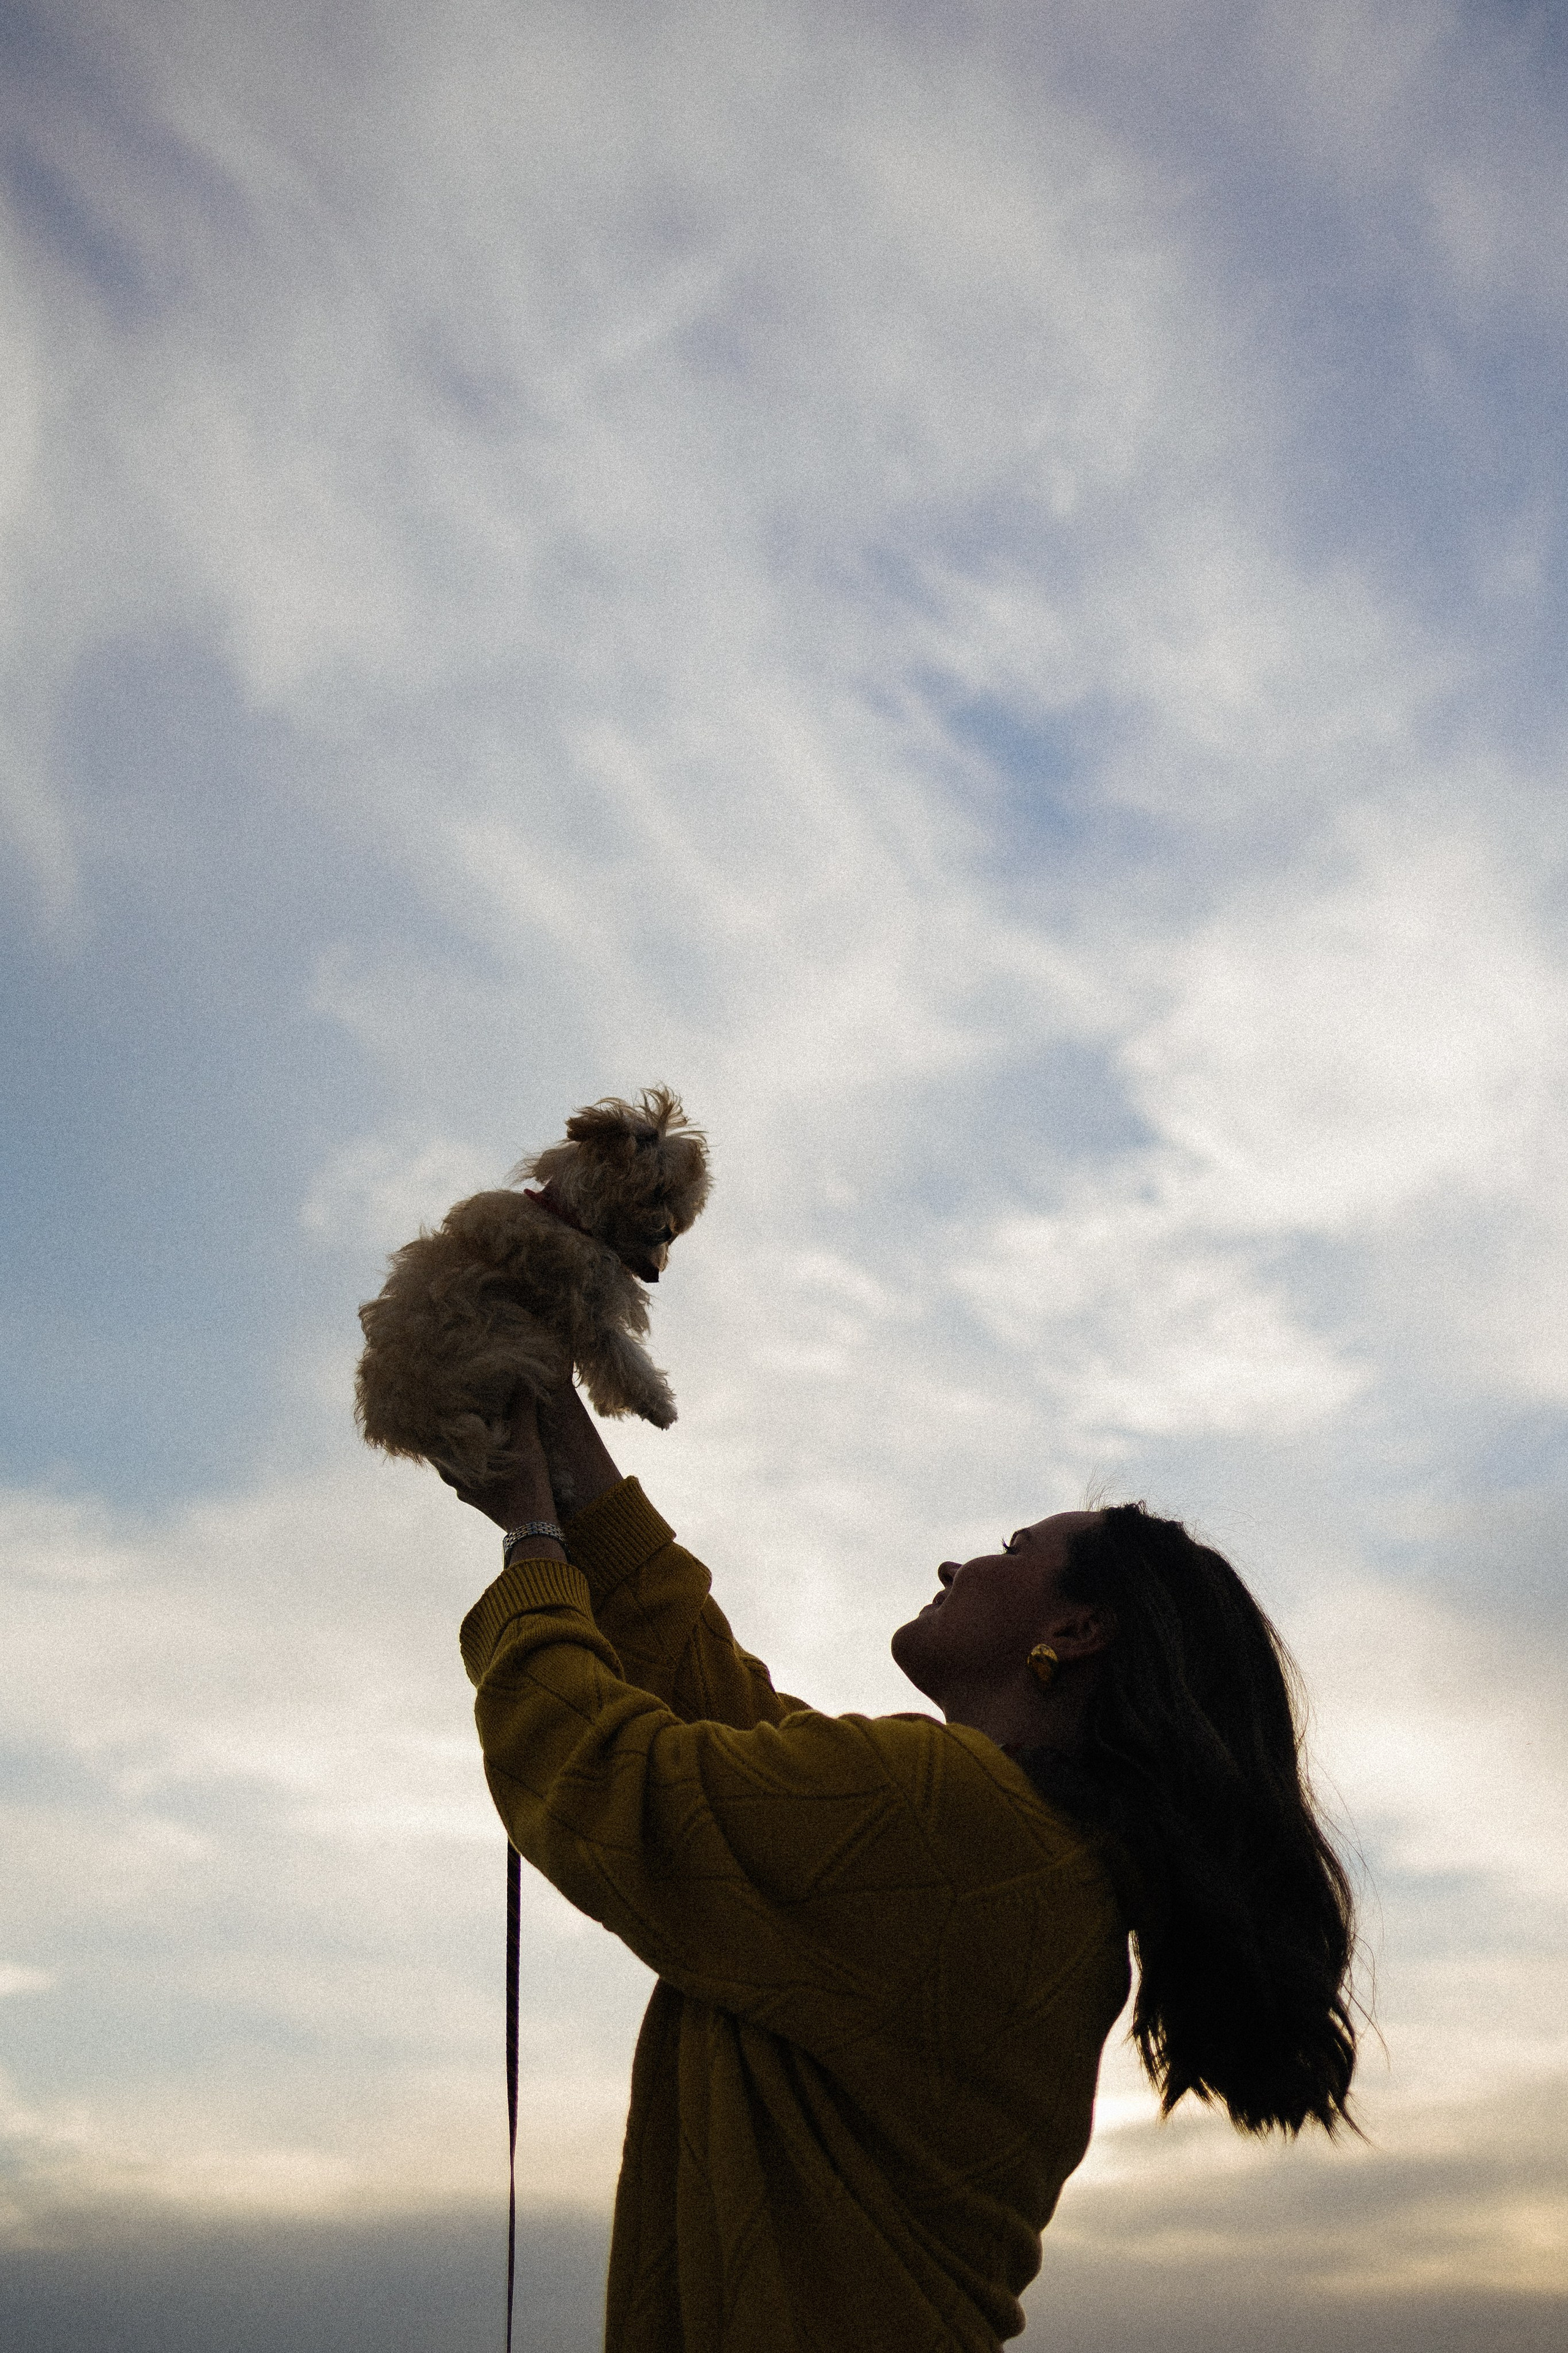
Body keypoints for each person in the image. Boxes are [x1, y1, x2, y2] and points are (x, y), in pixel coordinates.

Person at [450, 1384, 1358, 2352]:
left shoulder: (958, 1822)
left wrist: (531, 1537)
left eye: (1015, 1549)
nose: (957, 1562)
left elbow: (609, 1780)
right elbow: (727, 1715)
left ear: (1080, 1631)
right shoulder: (1031, 1861)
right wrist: (552, 1415)